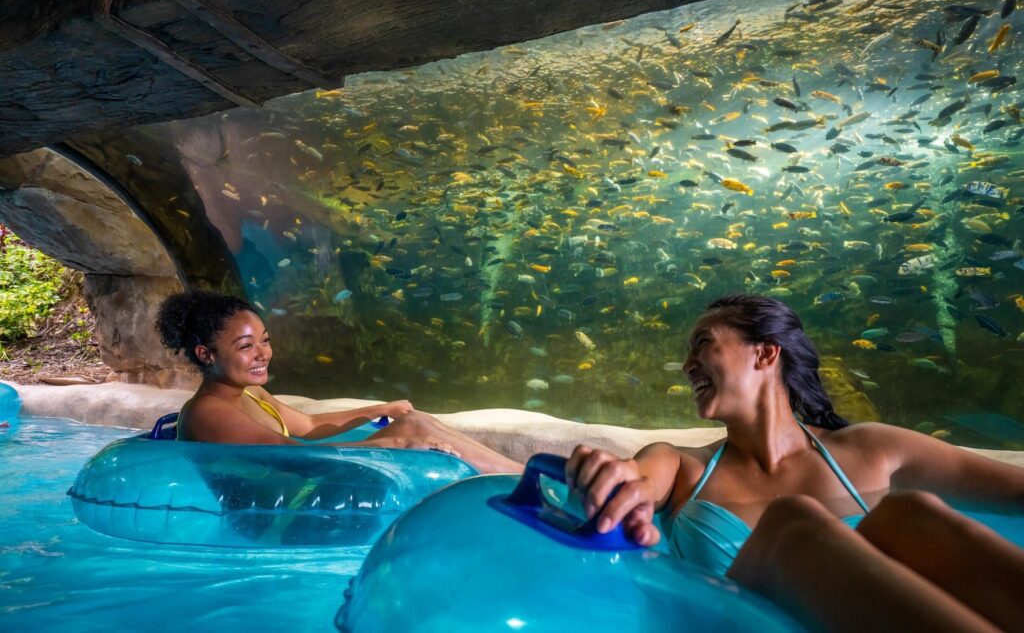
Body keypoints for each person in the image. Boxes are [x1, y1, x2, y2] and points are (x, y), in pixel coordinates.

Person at [566, 294, 1024, 633]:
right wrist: (614, 481)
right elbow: (640, 477)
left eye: (702, 343)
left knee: (910, 516)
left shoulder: (872, 450)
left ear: (766, 353)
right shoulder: (682, 467)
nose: (687, 365)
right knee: (793, 524)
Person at [156, 290, 522, 474]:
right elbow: (293, 456)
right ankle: (525, 480)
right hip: (281, 518)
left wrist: (382, 411)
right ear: (206, 354)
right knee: (409, 431)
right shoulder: (207, 412)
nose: (263, 353)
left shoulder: (250, 392)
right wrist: (396, 443)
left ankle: (521, 474)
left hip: (306, 491)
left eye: (265, 340)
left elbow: (309, 426)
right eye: (245, 346)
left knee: (413, 419)